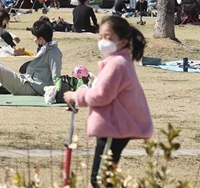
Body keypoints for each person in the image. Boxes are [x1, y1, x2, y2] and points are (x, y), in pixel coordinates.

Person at [63, 16, 152, 188]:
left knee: (100, 180)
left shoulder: (117, 64)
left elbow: (102, 94)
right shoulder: (117, 61)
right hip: (113, 126)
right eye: (100, 37)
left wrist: (77, 96)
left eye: (108, 38)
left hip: (114, 127)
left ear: (123, 41)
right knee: (105, 179)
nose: (103, 42)